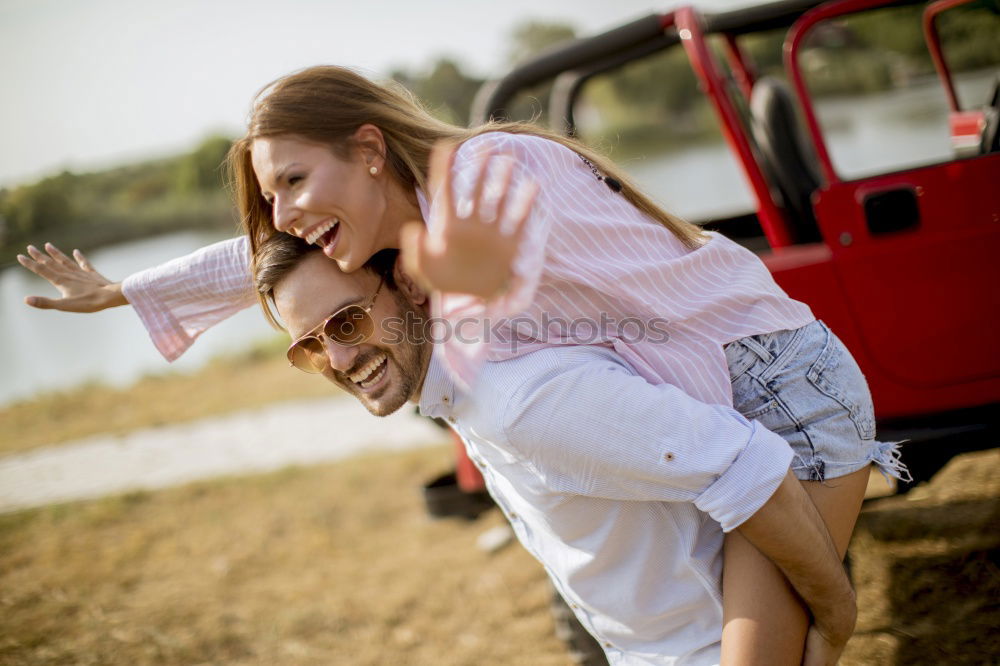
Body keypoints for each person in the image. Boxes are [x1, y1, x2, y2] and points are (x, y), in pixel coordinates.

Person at [17, 63, 909, 664]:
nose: (281, 210)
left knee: (806, 632)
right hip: (711, 391)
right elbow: (261, 254)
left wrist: (837, 607)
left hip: (778, 379)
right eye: (270, 192)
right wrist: (132, 292)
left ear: (369, 149)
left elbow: (486, 285)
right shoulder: (400, 238)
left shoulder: (492, 169)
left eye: (291, 180)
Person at [255, 232, 856, 665]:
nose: (336, 359)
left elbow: (753, 467)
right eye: (306, 346)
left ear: (409, 284)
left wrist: (835, 613)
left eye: (347, 323)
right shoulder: (460, 393)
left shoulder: (520, 401)